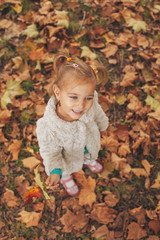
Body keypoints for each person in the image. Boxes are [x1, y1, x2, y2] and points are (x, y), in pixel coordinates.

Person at [36, 50, 109, 196]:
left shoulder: (91, 102)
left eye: (87, 98)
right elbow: (51, 153)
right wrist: (55, 171)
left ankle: (89, 160)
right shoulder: (48, 127)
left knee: (88, 153)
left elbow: (97, 112)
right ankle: (66, 178)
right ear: (58, 92)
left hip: (87, 144)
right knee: (66, 169)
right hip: (67, 160)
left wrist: (102, 124)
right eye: (74, 97)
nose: (81, 105)